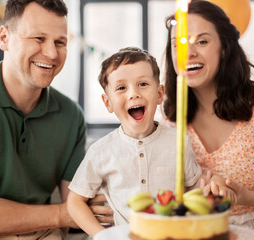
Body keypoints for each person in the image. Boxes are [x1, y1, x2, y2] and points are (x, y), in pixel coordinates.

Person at [0, 0, 112, 239]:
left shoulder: (71, 115)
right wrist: (61, 214)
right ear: (4, 38)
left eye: (60, 42)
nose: (51, 53)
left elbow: (79, 206)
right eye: (38, 39)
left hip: (42, 232)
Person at [162, 1, 254, 239]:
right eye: (178, 44)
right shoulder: (168, 119)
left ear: (224, 48)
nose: (188, 52)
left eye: (201, 41)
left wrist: (244, 196)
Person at [67, 47, 226, 237]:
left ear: (159, 94)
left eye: (142, 83)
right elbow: (74, 202)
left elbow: (193, 188)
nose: (133, 94)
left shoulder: (178, 142)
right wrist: (103, 235)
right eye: (121, 88)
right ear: (108, 102)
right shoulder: (101, 152)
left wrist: (213, 182)